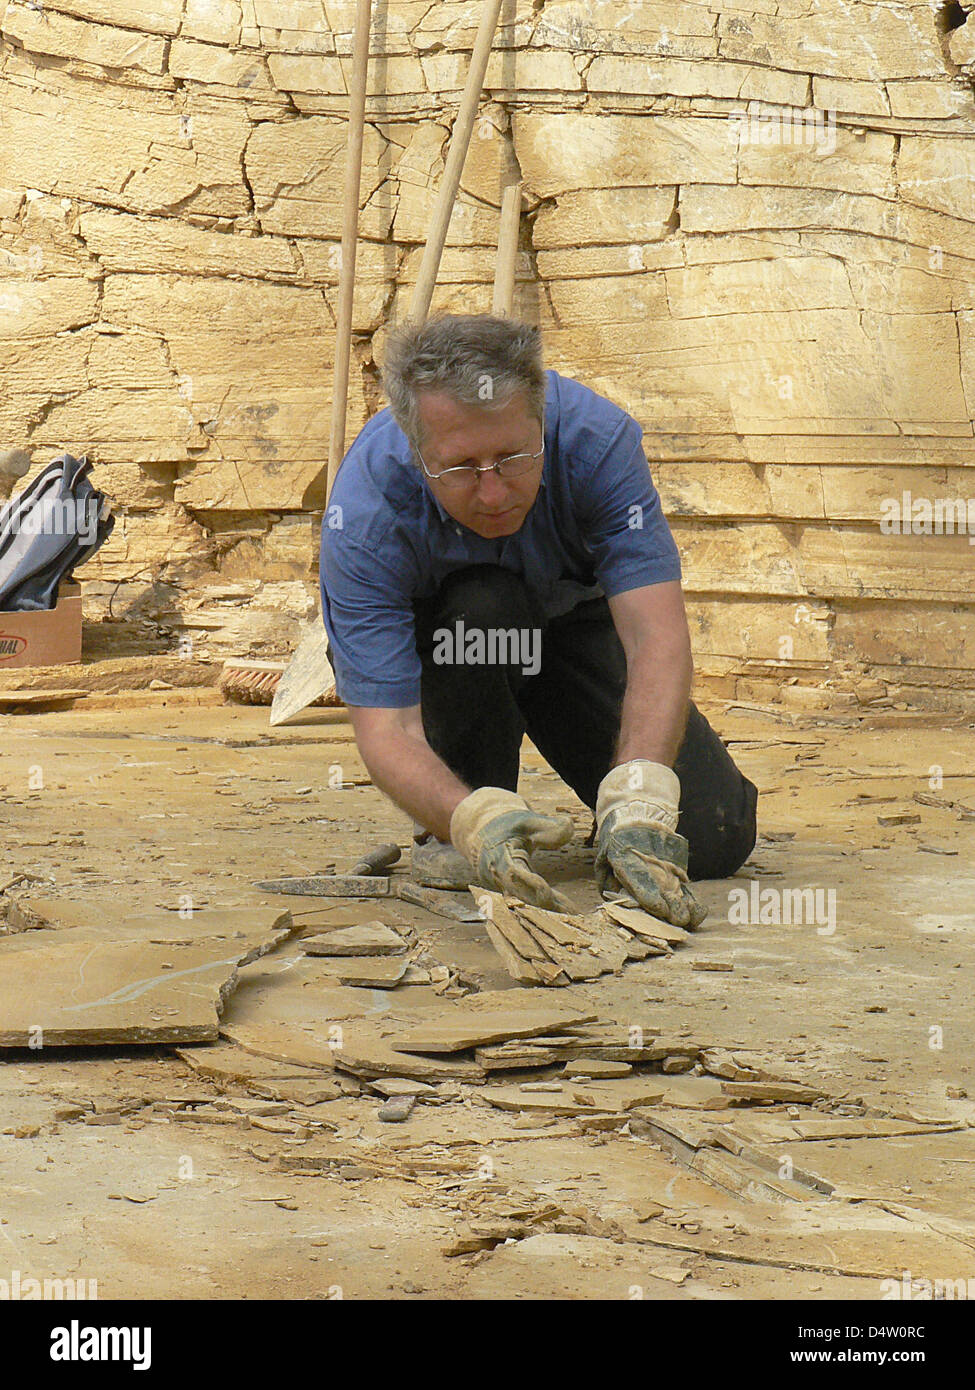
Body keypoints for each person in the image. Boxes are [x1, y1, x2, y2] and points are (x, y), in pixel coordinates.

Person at [319, 313, 757, 927]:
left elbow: (654, 633)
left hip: (567, 632)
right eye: (462, 467)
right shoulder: (366, 511)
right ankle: (468, 815)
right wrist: (468, 821)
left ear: (541, 420)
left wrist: (640, 799)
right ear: (417, 454)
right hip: (458, 653)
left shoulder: (595, 441)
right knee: (485, 607)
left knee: (713, 838)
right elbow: (386, 730)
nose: (494, 493)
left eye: (513, 458)